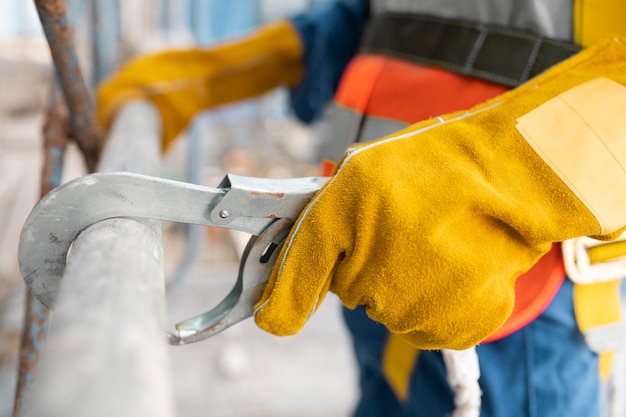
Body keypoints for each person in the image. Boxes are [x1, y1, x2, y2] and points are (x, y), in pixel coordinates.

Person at [97, 1, 626, 416]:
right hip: (365, 250)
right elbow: (390, 19)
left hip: (514, 283)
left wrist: (509, 176)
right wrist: (223, 71)